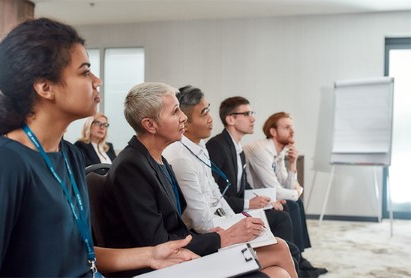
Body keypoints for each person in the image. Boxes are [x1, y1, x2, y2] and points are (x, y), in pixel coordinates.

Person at [0, 18, 198, 277]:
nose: (97, 81)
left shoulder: (70, 155)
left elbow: (78, 253)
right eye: (85, 71)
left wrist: (150, 255)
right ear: (45, 87)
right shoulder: (4, 162)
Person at [99, 82, 296, 277]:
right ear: (150, 125)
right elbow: (158, 244)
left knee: (279, 252)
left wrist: (217, 236)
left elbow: (174, 229)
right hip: (158, 268)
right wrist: (222, 238)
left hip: (178, 255)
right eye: (175, 111)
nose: (184, 117)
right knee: (278, 265)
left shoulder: (157, 160)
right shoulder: (131, 167)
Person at [206, 98, 327, 277]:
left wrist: (266, 200)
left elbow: (245, 186)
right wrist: (251, 203)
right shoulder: (218, 146)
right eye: (247, 114)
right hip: (229, 211)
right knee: (282, 215)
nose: (253, 118)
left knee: (287, 206)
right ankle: (293, 263)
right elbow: (214, 193)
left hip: (242, 203)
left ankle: (296, 260)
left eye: (252, 113)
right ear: (230, 119)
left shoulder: (237, 147)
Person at [243, 112, 326, 275]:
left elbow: (283, 184)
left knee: (296, 203)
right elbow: (276, 189)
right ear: (273, 132)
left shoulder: (279, 152)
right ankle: (296, 260)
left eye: (292, 127)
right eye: (286, 127)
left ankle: (299, 257)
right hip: (252, 197)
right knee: (293, 203)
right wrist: (296, 192)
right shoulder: (262, 150)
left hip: (267, 194)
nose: (292, 131)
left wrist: (293, 165)